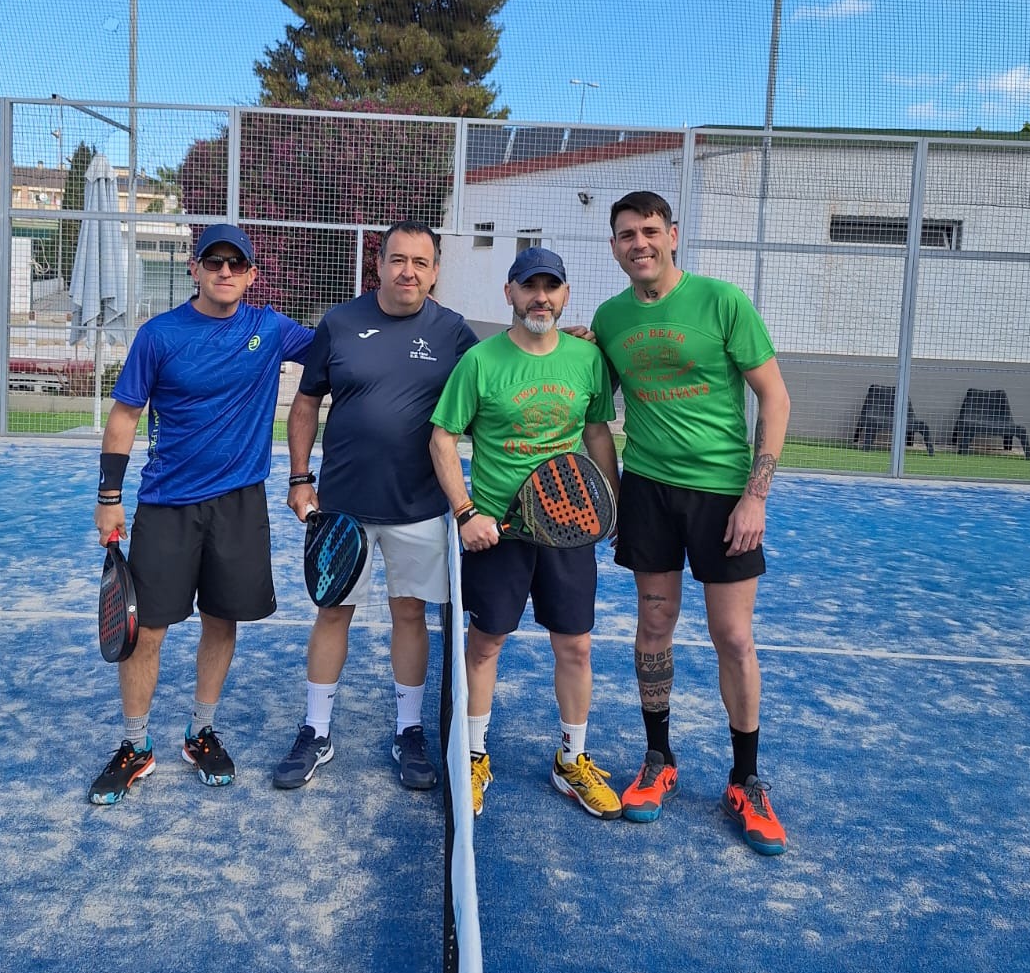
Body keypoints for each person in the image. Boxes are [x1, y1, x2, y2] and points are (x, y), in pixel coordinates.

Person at [590, 190, 791, 854]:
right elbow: (596, 409)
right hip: (648, 491)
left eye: (650, 231)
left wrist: (756, 496)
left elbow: (775, 397)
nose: (640, 243)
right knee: (654, 627)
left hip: (723, 494)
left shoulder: (722, 302)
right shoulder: (610, 318)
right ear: (614, 246)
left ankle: (746, 778)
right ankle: (659, 759)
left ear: (672, 236)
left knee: (732, 635)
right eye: (627, 234)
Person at [87, 223, 314, 805]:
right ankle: (135, 744)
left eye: (236, 264)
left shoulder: (270, 329)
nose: (224, 272)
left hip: (240, 504)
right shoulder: (159, 335)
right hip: (167, 504)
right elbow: (124, 417)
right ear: (194, 269)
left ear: (252, 275)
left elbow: (343, 350)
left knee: (222, 620)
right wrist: (109, 497)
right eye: (213, 262)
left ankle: (200, 731)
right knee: (146, 631)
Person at [275, 221, 479, 791]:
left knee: (409, 615)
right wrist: (299, 477)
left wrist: (568, 338)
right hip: (342, 508)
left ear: (434, 271)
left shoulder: (455, 333)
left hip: (420, 507)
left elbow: (508, 372)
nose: (408, 271)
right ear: (380, 264)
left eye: (420, 262)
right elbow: (306, 403)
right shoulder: (340, 323)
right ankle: (316, 730)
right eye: (398, 260)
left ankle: (409, 731)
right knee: (332, 613)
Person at [429, 247, 621, 820]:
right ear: (509, 293)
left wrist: (609, 506)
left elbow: (597, 432)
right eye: (530, 286)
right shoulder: (480, 362)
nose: (541, 297)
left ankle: (572, 760)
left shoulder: (587, 360)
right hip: (499, 531)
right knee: (485, 644)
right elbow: (442, 438)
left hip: (568, 528)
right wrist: (466, 513)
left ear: (565, 296)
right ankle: (473, 756)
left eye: (551, 287)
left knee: (576, 646)